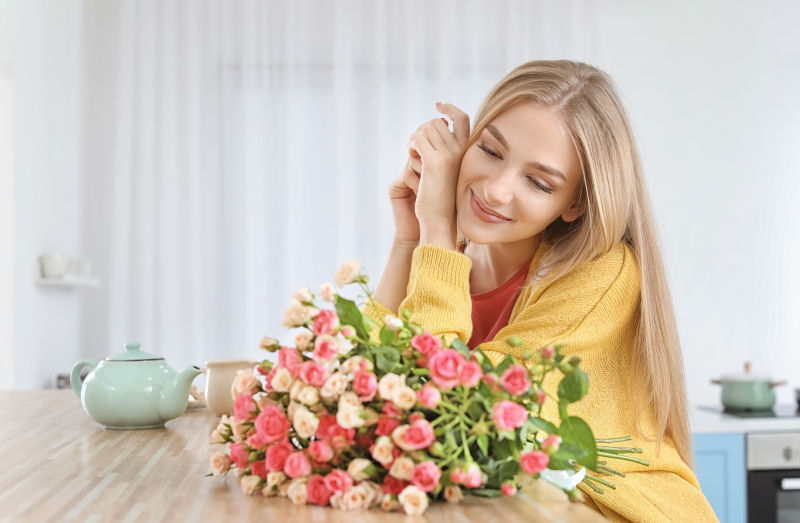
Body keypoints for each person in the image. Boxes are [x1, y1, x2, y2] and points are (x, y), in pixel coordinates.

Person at [363, 60, 717, 522]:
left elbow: (452, 415)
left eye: (537, 182)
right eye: (490, 150)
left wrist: (435, 227)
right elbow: (358, 391)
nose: (496, 190)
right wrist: (409, 241)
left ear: (575, 204)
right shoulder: (443, 264)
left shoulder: (604, 275)